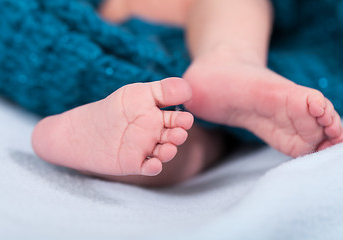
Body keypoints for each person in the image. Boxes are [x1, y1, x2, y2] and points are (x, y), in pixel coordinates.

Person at [31, 0, 343, 187]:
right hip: (136, 37)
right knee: (190, 138)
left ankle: (88, 148)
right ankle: (228, 57)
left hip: (119, 57)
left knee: (178, 139)